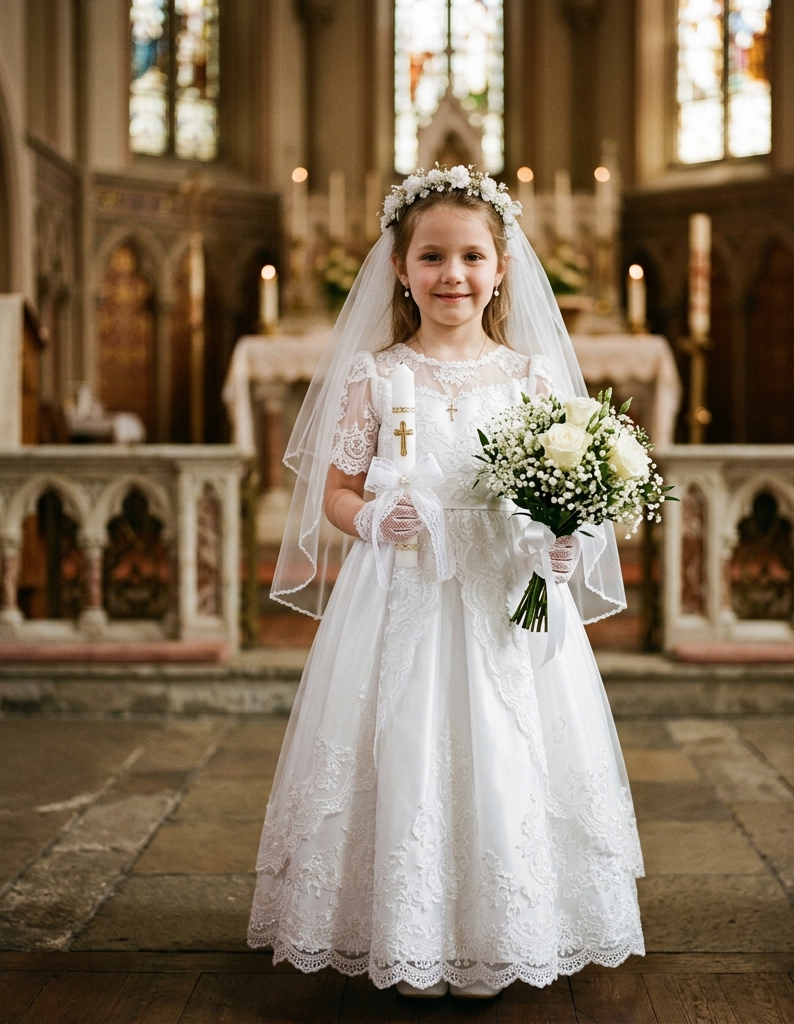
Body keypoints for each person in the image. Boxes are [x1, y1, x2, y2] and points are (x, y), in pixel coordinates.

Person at [248, 166, 644, 999]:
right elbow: (336, 493)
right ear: (399, 268)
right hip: (401, 596)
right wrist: (368, 521)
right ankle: (407, 929)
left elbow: (567, 500)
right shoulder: (372, 375)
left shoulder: (533, 377)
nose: (452, 276)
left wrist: (564, 544)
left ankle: (503, 930)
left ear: (502, 268)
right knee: (402, 745)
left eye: (471, 257)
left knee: (508, 750)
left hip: (506, 601)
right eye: (432, 257)